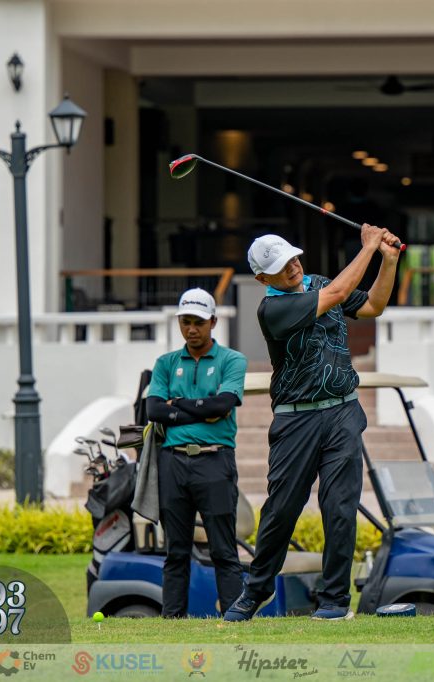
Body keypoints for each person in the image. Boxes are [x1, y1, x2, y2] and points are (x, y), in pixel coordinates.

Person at [224, 224, 400, 622]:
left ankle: (334, 600)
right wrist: (369, 247)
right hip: (296, 419)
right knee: (281, 510)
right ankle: (257, 589)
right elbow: (336, 295)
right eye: (280, 266)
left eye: (292, 258)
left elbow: (373, 306)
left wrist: (387, 262)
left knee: (340, 507)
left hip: (343, 412)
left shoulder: (319, 282)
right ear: (263, 279)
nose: (292, 267)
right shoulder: (272, 310)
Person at [144, 288, 248, 618]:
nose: (191, 329)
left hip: (215, 460)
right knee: (175, 550)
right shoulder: (165, 363)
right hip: (173, 462)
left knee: (223, 549)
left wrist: (177, 405)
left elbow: (223, 404)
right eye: (186, 322)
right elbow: (154, 410)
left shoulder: (232, 360)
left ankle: (233, 618)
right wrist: (203, 410)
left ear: (213, 322)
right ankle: (173, 619)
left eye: (199, 322)